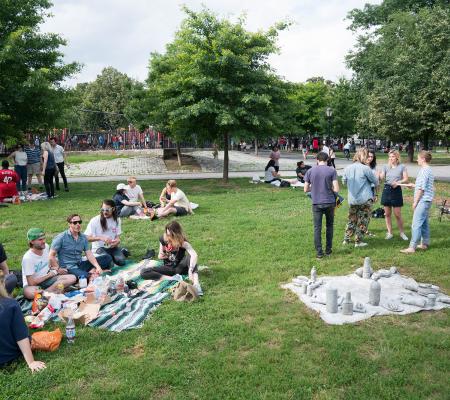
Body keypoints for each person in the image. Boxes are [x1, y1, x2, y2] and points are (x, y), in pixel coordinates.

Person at [140, 221, 203, 295]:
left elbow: (194, 255)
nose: (168, 237)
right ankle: (173, 279)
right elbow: (160, 255)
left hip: (181, 267)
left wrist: (190, 270)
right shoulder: (163, 239)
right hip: (168, 268)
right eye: (167, 234)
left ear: (176, 235)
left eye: (171, 235)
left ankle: (196, 284)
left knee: (190, 258)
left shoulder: (183, 242)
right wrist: (162, 255)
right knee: (144, 272)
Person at [0, 272, 46, 372]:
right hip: (9, 355)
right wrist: (31, 362)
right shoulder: (11, 305)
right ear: (2, 284)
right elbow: (21, 336)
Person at [49, 214, 112, 280]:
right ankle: (90, 274)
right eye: (75, 223)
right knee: (86, 276)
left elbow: (89, 254)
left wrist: (98, 266)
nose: (78, 224)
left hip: (80, 264)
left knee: (107, 258)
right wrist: (58, 269)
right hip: (69, 268)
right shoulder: (61, 238)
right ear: (69, 224)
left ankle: (93, 270)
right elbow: (51, 256)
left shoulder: (83, 237)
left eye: (79, 222)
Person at [21, 228, 77, 299]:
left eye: (44, 238)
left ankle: (46, 294)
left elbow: (49, 261)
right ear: (32, 242)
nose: (44, 241)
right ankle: (55, 291)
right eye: (40, 240)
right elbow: (31, 283)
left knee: (72, 277)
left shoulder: (46, 247)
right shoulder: (28, 258)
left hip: (48, 280)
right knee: (29, 293)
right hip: (34, 285)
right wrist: (49, 275)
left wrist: (56, 269)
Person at [304, 152, 339, 258]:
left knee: (317, 228)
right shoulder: (332, 170)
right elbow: (336, 189)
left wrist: (313, 188)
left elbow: (305, 189)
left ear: (317, 160)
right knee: (329, 226)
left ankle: (319, 253)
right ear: (328, 160)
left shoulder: (310, 171)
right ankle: (328, 250)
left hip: (316, 203)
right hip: (329, 202)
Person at [342, 148, 378, 247]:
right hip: (365, 199)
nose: (368, 158)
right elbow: (376, 181)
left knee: (351, 219)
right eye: (366, 156)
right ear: (363, 156)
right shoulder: (365, 168)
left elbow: (344, 181)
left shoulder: (347, 168)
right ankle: (358, 241)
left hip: (352, 199)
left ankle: (347, 239)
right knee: (363, 220)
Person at [401, 151, 434, 254]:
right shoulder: (428, 169)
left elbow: (422, 188)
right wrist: (413, 185)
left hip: (423, 200)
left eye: (418, 158)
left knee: (416, 224)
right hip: (426, 199)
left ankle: (412, 247)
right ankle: (424, 244)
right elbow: (423, 185)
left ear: (423, 159)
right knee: (424, 223)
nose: (417, 160)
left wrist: (415, 202)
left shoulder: (424, 170)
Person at [85, 200, 126, 266]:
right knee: (110, 264)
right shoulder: (95, 220)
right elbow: (86, 238)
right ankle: (113, 256)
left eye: (107, 210)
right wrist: (100, 238)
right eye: (103, 209)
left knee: (121, 262)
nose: (104, 212)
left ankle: (117, 253)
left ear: (113, 209)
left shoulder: (117, 220)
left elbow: (117, 236)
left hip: (112, 247)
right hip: (99, 248)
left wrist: (118, 240)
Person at [379, 150, 409, 241]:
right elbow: (382, 177)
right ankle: (390, 233)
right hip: (387, 190)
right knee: (387, 214)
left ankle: (402, 233)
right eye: (389, 157)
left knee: (397, 214)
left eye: (392, 156)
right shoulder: (385, 166)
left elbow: (406, 179)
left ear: (397, 157)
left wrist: (398, 182)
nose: (391, 158)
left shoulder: (402, 166)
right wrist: (379, 176)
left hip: (397, 190)